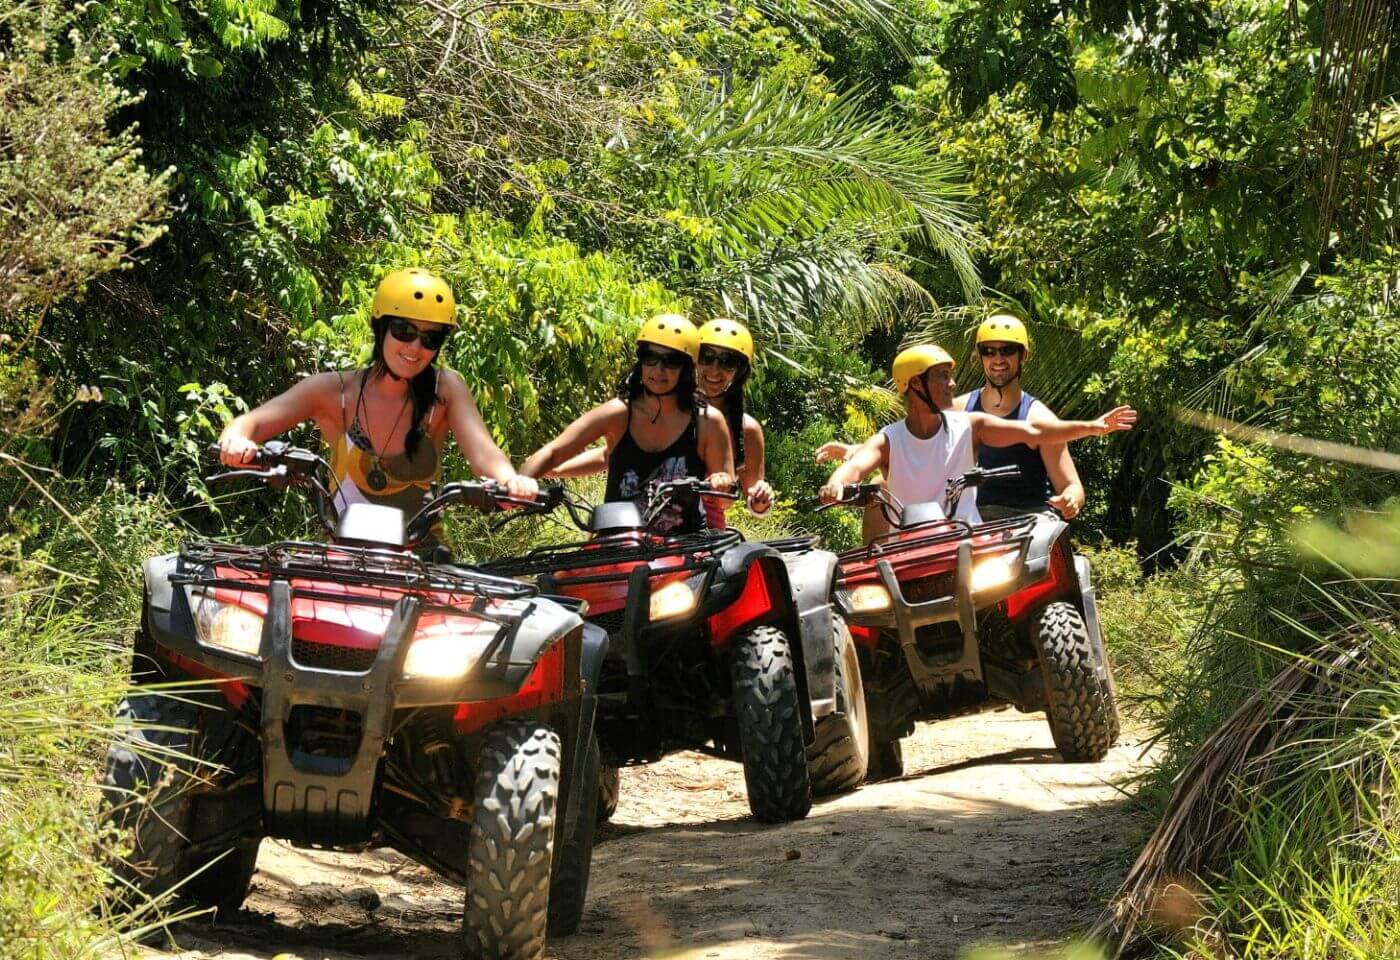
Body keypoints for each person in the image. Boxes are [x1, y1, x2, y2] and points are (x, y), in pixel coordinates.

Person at [218, 268, 538, 521]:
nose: (415, 347)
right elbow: (253, 423)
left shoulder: (446, 390)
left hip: (420, 562)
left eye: (430, 338)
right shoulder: (334, 392)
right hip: (344, 559)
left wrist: (510, 481)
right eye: (404, 331)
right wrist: (237, 441)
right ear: (380, 327)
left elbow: (484, 454)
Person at [817, 345, 1134, 538]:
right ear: (916, 384)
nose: (952, 383)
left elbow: (1037, 432)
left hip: (967, 542)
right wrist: (836, 483)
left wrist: (1093, 426)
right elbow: (855, 468)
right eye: (942, 376)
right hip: (909, 550)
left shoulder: (970, 425)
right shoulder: (888, 439)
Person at [545, 316, 773, 527]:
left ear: (739, 372)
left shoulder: (746, 429)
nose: (714, 369)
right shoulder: (655, 405)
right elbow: (611, 455)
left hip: (697, 531)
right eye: (706, 358)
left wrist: (759, 500)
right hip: (630, 522)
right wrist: (555, 468)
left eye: (728, 362)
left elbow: (750, 497)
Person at [954, 313, 1085, 520]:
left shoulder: (1041, 419)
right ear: (980, 356)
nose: (998, 359)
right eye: (989, 351)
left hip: (1028, 523)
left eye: (1007, 350)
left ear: (1023, 355)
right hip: (968, 523)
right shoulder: (956, 411)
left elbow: (1071, 485)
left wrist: (1070, 500)